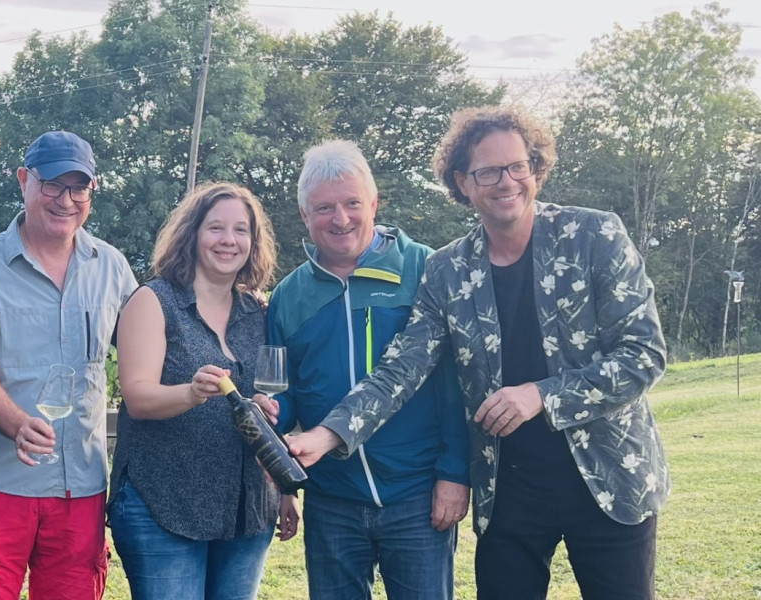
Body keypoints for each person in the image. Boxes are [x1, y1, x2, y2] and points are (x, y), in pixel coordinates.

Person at [286, 107, 669, 599]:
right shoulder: (447, 270)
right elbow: (400, 370)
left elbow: (643, 355)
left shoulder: (595, 236)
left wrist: (540, 395)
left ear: (536, 169)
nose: (506, 181)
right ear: (462, 183)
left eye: (517, 166)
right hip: (508, 489)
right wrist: (328, 434)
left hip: (608, 478)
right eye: (487, 171)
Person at [266, 140, 469, 599]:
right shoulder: (287, 296)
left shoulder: (424, 268)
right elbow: (282, 391)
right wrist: (273, 414)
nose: (340, 219)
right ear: (304, 215)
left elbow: (455, 384)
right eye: (324, 208)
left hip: (417, 493)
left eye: (352, 203)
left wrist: (455, 473)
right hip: (331, 498)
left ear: (374, 204)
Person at [0, 131, 138, 599]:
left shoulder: (112, 267)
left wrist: (231, 297)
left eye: (79, 188)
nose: (66, 200)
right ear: (23, 180)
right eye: (52, 184)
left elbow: (152, 348)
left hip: (81, 484)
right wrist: (18, 425)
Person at [109, 182, 281, 599]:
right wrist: (191, 392)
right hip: (164, 504)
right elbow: (138, 397)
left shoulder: (257, 312)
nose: (229, 240)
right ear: (192, 234)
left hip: (245, 510)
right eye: (216, 228)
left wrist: (262, 406)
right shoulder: (154, 300)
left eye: (241, 230)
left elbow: (265, 395)